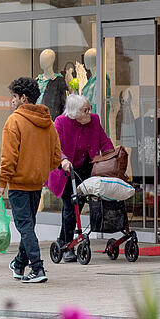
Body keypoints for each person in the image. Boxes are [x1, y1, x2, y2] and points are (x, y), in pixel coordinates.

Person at [0, 77, 62, 284]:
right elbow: (56, 157)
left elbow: (8, 157)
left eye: (14, 97)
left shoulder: (14, 121)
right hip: (36, 183)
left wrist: (1, 183)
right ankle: (18, 264)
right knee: (28, 225)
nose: (11, 101)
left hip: (18, 183)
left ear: (23, 98)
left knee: (25, 226)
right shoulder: (48, 123)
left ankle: (38, 268)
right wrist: (40, 169)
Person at [55, 94, 115, 262]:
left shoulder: (94, 120)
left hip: (88, 167)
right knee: (70, 206)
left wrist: (113, 157)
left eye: (89, 109)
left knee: (78, 206)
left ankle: (62, 240)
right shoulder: (61, 121)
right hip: (67, 170)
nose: (89, 112)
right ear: (74, 112)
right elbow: (55, 146)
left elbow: (104, 142)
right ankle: (68, 246)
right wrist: (63, 159)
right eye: (85, 110)